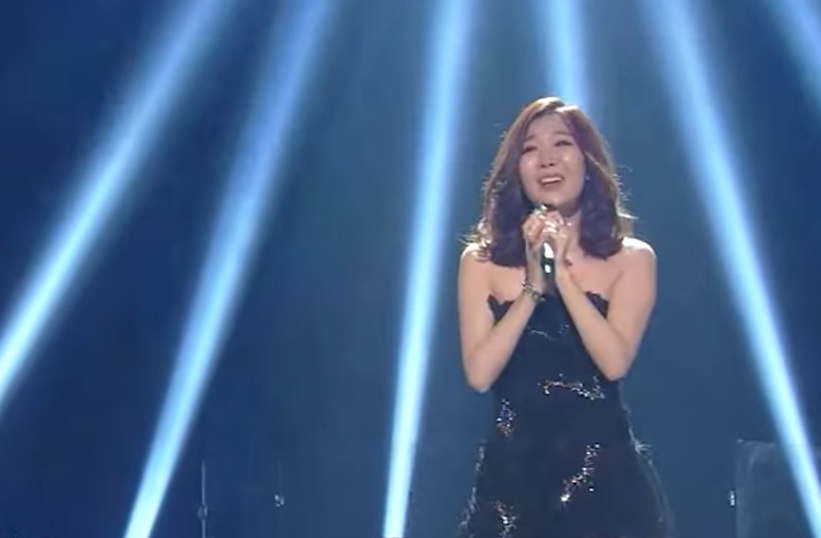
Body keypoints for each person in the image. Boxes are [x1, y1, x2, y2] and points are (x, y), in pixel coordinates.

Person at [455, 96, 673, 537]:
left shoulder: (632, 260)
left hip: (605, 485)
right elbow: (479, 374)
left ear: (588, 162)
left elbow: (614, 362)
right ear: (516, 169)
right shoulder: (481, 262)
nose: (547, 159)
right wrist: (533, 289)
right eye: (530, 148)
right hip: (513, 484)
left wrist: (562, 278)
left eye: (562, 144)